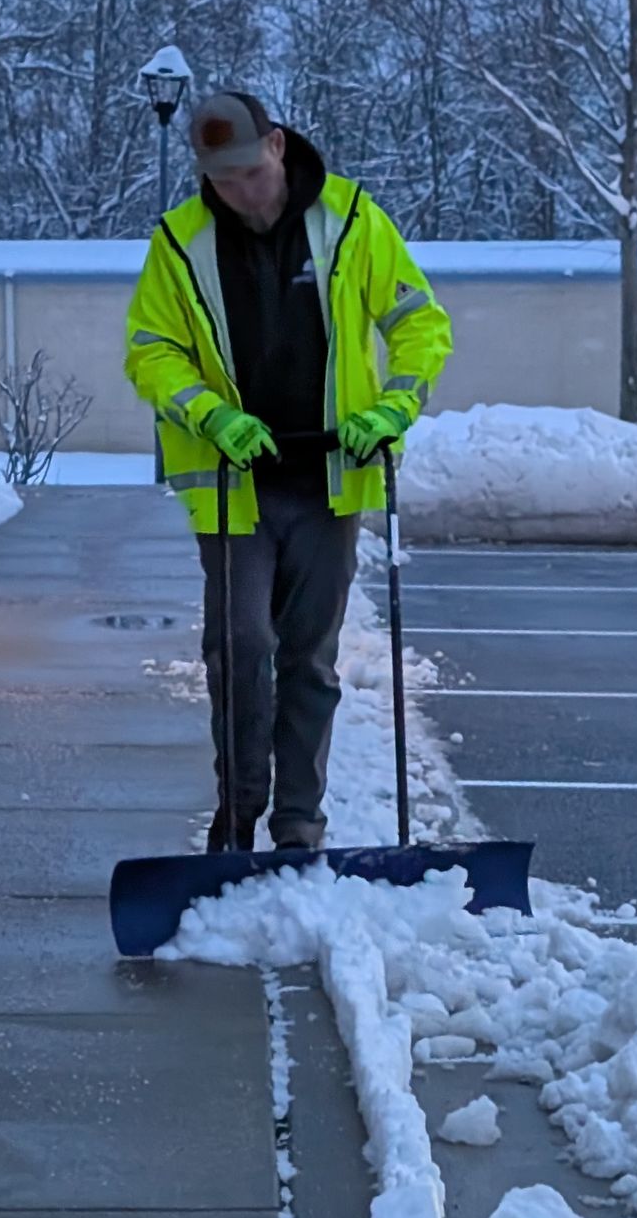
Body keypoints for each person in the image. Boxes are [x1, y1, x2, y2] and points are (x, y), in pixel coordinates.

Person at [124, 90, 453, 849]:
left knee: (310, 656)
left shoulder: (350, 219)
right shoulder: (181, 241)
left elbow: (418, 323)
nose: (238, 191)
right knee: (240, 650)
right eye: (220, 179)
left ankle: (299, 820)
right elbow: (152, 349)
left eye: (247, 171)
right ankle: (237, 815)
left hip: (332, 475)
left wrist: (395, 409)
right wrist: (211, 415)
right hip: (234, 480)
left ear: (276, 145)